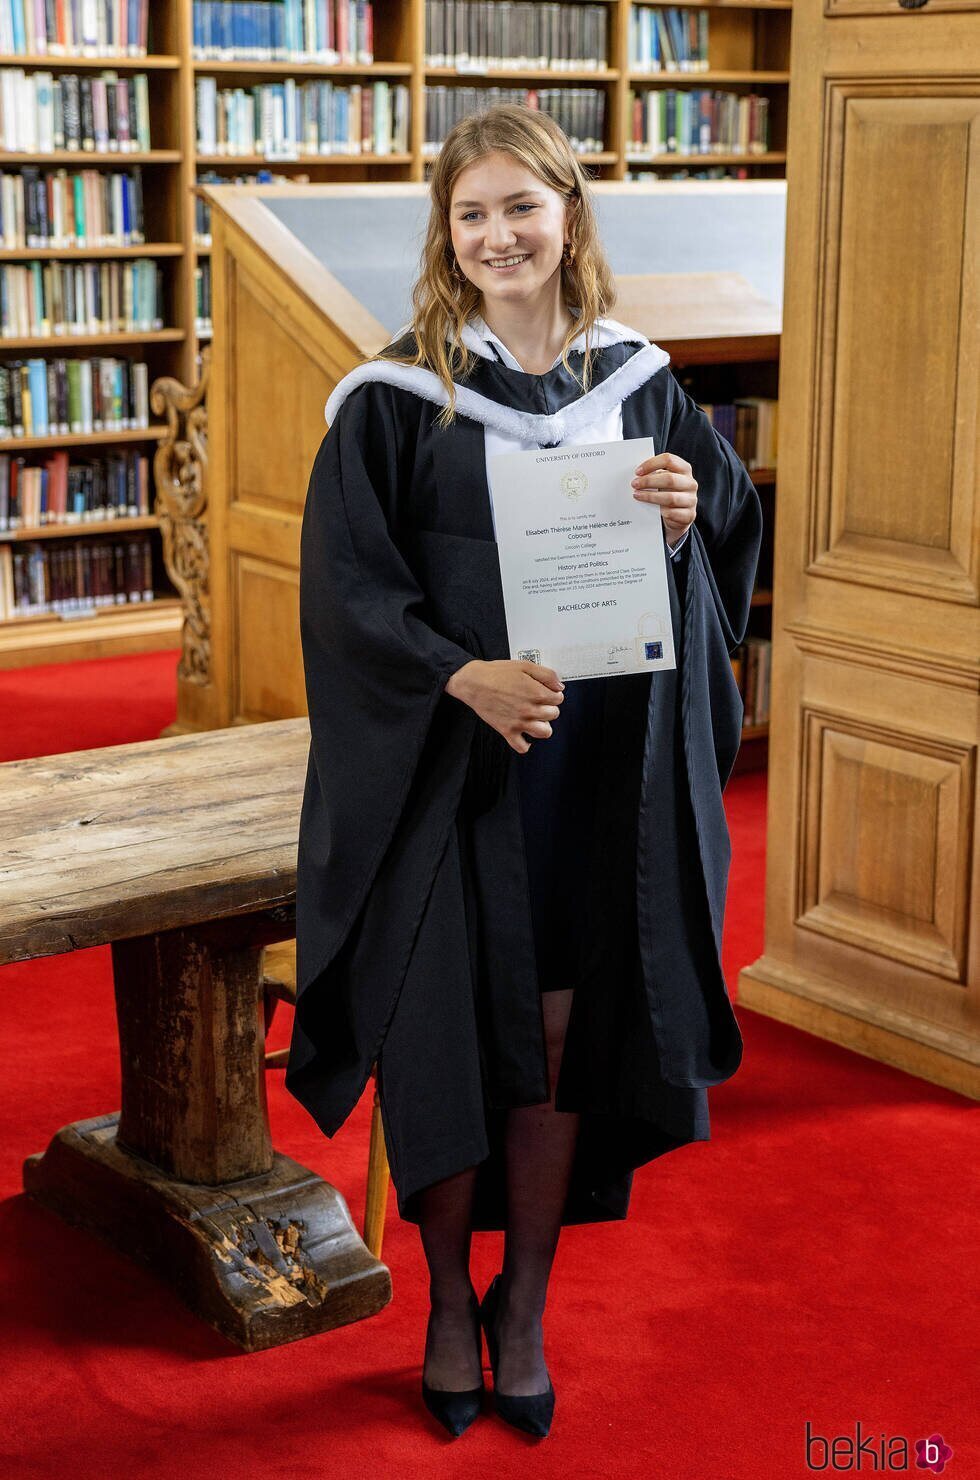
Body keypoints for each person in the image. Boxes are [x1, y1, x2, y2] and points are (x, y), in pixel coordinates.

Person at [286, 102, 763, 1440]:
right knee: (446, 1033)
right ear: (447, 235)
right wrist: (458, 672)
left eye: (521, 207)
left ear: (568, 218)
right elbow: (344, 592)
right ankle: (447, 1295)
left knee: (559, 1036)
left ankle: (527, 1299)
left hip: (591, 776)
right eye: (472, 213)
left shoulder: (643, 380)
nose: (499, 234)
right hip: (450, 777)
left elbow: (724, 533)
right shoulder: (399, 395)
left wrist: (685, 515)